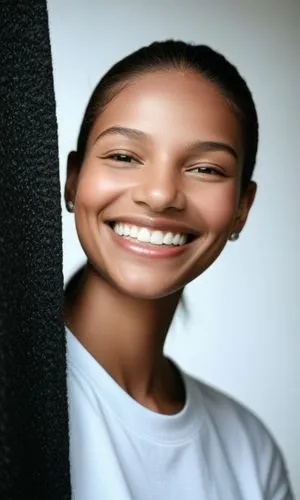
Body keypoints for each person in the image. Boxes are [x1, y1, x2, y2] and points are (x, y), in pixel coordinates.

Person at [63, 40, 293, 499]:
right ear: (73, 180)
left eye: (206, 169)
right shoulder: (12, 389)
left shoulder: (249, 453)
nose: (160, 194)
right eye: (124, 156)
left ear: (241, 209)